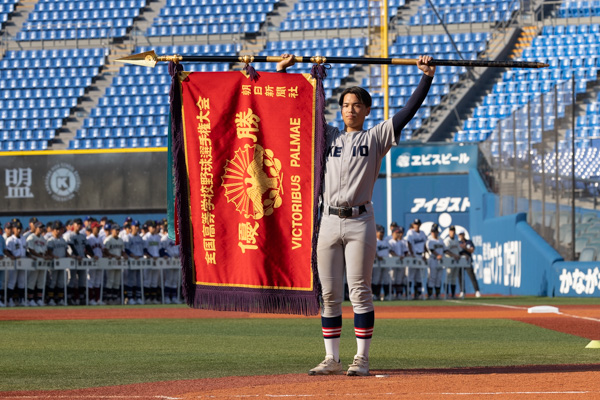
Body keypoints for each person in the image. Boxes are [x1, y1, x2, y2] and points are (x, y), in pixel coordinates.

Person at [277, 53, 435, 376]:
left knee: (360, 290)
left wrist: (426, 78)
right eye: (346, 105)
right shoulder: (328, 136)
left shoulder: (375, 138)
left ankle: (361, 358)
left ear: (367, 110)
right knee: (330, 292)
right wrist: (284, 75)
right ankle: (331, 359)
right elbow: (299, 109)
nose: (350, 109)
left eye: (357, 105)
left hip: (360, 220)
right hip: (329, 220)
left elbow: (407, 113)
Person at [25, 222, 49, 306]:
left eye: (42, 227)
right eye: (39, 227)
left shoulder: (43, 238)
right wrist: (41, 256)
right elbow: (31, 250)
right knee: (32, 280)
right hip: (34, 260)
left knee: (41, 281)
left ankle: (39, 299)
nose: (41, 229)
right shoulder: (31, 237)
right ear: (35, 228)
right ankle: (29, 299)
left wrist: (45, 256)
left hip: (42, 259)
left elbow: (45, 250)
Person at [64, 218, 88, 305]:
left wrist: (90, 255)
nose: (79, 226)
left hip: (81, 259)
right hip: (73, 259)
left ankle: (81, 299)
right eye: (77, 224)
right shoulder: (69, 235)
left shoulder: (82, 236)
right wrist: (76, 255)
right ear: (73, 225)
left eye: (80, 224)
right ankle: (69, 298)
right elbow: (70, 246)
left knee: (82, 279)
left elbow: (87, 247)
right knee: (71, 279)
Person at [46, 221, 69, 306]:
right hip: (54, 263)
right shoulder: (50, 240)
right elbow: (48, 252)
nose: (58, 231)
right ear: (53, 230)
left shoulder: (63, 240)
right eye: (56, 229)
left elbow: (66, 252)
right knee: (53, 281)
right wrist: (54, 256)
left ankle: (60, 299)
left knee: (61, 282)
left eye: (59, 229)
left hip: (62, 262)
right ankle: (51, 299)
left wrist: (70, 257)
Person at [103, 224, 127, 305]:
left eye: (118, 230)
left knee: (117, 281)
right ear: (112, 230)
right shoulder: (108, 239)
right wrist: (114, 256)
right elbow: (105, 251)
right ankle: (108, 299)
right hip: (111, 262)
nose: (117, 231)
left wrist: (124, 255)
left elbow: (122, 250)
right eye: (115, 230)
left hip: (119, 262)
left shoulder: (120, 240)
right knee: (110, 280)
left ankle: (115, 298)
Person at [5, 220, 27, 306]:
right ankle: (9, 299)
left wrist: (29, 255)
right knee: (12, 281)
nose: (19, 230)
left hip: (23, 261)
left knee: (21, 281)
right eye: (17, 228)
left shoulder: (23, 238)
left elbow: (25, 250)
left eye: (20, 228)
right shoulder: (10, 239)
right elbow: (7, 251)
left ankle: (21, 299)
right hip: (13, 262)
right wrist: (12, 256)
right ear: (13, 229)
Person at [124, 220, 145, 305]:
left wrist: (141, 256)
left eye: (138, 226)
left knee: (139, 280)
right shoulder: (128, 237)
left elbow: (142, 249)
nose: (137, 227)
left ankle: (138, 298)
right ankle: (130, 298)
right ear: (131, 227)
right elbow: (126, 249)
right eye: (135, 226)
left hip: (139, 259)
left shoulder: (140, 237)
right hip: (131, 260)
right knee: (131, 279)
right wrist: (133, 256)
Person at [405, 219, 427, 300]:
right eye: (415, 224)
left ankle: (418, 294)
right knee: (411, 276)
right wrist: (412, 254)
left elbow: (424, 244)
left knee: (419, 276)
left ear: (420, 225)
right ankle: (409, 293)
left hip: (420, 256)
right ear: (413, 225)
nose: (416, 225)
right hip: (413, 256)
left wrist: (425, 254)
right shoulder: (410, 232)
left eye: (418, 224)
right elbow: (409, 243)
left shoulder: (422, 233)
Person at [160, 224, 181, 304]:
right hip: (169, 260)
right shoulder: (165, 238)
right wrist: (167, 256)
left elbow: (179, 249)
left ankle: (174, 297)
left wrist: (179, 256)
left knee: (175, 280)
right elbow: (162, 250)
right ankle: (166, 297)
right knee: (169, 279)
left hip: (176, 260)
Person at [142, 220, 162, 304]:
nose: (154, 228)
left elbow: (160, 249)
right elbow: (144, 250)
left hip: (156, 260)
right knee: (147, 280)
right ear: (149, 228)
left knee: (155, 280)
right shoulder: (146, 237)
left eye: (155, 227)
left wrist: (161, 256)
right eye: (152, 227)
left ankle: (153, 298)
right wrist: (151, 256)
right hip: (148, 260)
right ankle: (147, 298)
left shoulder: (158, 237)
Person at [425, 223, 446, 300]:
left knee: (439, 278)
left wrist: (454, 255)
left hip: (440, 260)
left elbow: (445, 250)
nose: (434, 233)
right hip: (433, 259)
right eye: (433, 231)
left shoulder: (441, 240)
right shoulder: (429, 240)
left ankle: (438, 294)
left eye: (435, 231)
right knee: (432, 277)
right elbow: (431, 250)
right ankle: (430, 295)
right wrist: (438, 255)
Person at [458, 230, 481, 298]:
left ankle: (477, 291)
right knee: (460, 277)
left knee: (472, 276)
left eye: (461, 234)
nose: (461, 236)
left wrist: (465, 248)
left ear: (464, 235)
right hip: (460, 261)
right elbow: (457, 252)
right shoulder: (458, 243)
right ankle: (462, 291)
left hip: (468, 261)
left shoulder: (469, 242)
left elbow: (472, 250)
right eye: (459, 235)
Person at [86, 221, 104, 305]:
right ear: (92, 228)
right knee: (91, 280)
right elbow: (86, 250)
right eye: (97, 227)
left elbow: (102, 249)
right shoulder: (89, 238)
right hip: (92, 261)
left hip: (100, 260)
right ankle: (91, 299)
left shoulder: (100, 238)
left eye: (99, 227)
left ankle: (98, 299)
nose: (98, 229)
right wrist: (92, 256)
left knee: (98, 280)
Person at [388, 227, 408, 299]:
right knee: (393, 278)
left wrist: (403, 256)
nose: (398, 234)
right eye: (396, 233)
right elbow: (391, 251)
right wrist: (398, 256)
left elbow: (405, 252)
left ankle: (398, 294)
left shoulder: (401, 242)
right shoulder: (390, 242)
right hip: (393, 262)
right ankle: (392, 293)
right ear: (392, 233)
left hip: (400, 262)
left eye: (399, 233)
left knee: (400, 278)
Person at [373, 225, 391, 301]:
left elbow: (390, 250)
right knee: (376, 279)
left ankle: (386, 295)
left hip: (386, 262)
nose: (381, 234)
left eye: (382, 232)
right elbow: (373, 251)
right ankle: (375, 294)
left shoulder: (386, 242)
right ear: (376, 232)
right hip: (377, 262)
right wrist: (377, 256)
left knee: (386, 278)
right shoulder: (375, 241)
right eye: (380, 232)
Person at [443, 226, 462, 298]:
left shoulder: (456, 241)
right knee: (448, 277)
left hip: (456, 261)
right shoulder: (447, 240)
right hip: (449, 261)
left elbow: (460, 251)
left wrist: (462, 255)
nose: (452, 232)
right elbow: (446, 251)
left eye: (453, 230)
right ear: (449, 232)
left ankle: (453, 294)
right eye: (451, 231)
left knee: (454, 278)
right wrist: (454, 255)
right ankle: (446, 293)